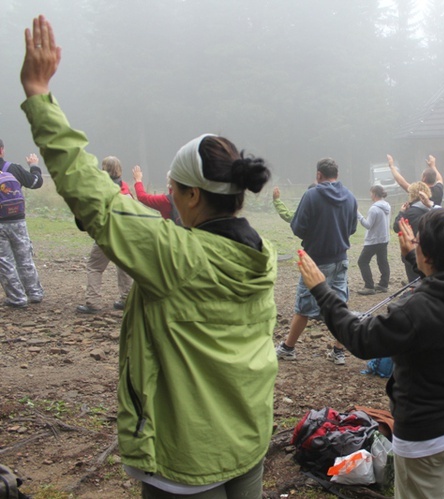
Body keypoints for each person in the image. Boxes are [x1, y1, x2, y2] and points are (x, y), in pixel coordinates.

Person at [21, 16, 277, 496]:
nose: (168, 194)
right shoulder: (262, 256)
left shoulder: (175, 257)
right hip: (247, 438)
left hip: (186, 456)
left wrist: (39, 95)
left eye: (173, 187)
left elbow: (94, 195)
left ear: (194, 197)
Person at [298, 209, 444, 499]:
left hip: (429, 435)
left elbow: (361, 339)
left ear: (431, 256)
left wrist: (322, 290)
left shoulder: (416, 311)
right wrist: (414, 257)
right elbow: (441, 287)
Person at [276, 157, 357, 365]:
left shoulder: (312, 195)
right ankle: (339, 351)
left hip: (316, 260)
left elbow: (298, 227)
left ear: (318, 175)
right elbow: (353, 228)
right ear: (337, 175)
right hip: (341, 258)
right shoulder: (350, 196)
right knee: (339, 304)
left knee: (304, 304)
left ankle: (288, 348)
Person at [76, 156, 134, 313]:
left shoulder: (99, 187)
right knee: (124, 266)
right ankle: (126, 299)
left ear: (104, 169)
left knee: (95, 267)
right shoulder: (125, 187)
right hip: (124, 235)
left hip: (106, 234)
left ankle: (93, 302)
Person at [0, 141, 44, 308]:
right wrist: (34, 166)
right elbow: (36, 182)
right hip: (18, 220)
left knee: (5, 261)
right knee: (24, 257)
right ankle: (35, 292)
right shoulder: (13, 168)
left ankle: (17, 298)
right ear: (2, 150)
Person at [392, 181, 432, 282]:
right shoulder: (431, 209)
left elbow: (397, 227)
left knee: (414, 280)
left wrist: (401, 213)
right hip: (430, 249)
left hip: (413, 250)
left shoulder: (410, 212)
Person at [356, 184, 391, 295]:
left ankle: (369, 286)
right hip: (384, 238)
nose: (370, 195)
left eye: (371, 193)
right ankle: (383, 284)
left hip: (373, 240)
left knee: (362, 261)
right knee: (382, 261)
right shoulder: (387, 206)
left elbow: (368, 225)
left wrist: (358, 214)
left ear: (375, 194)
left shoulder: (374, 209)